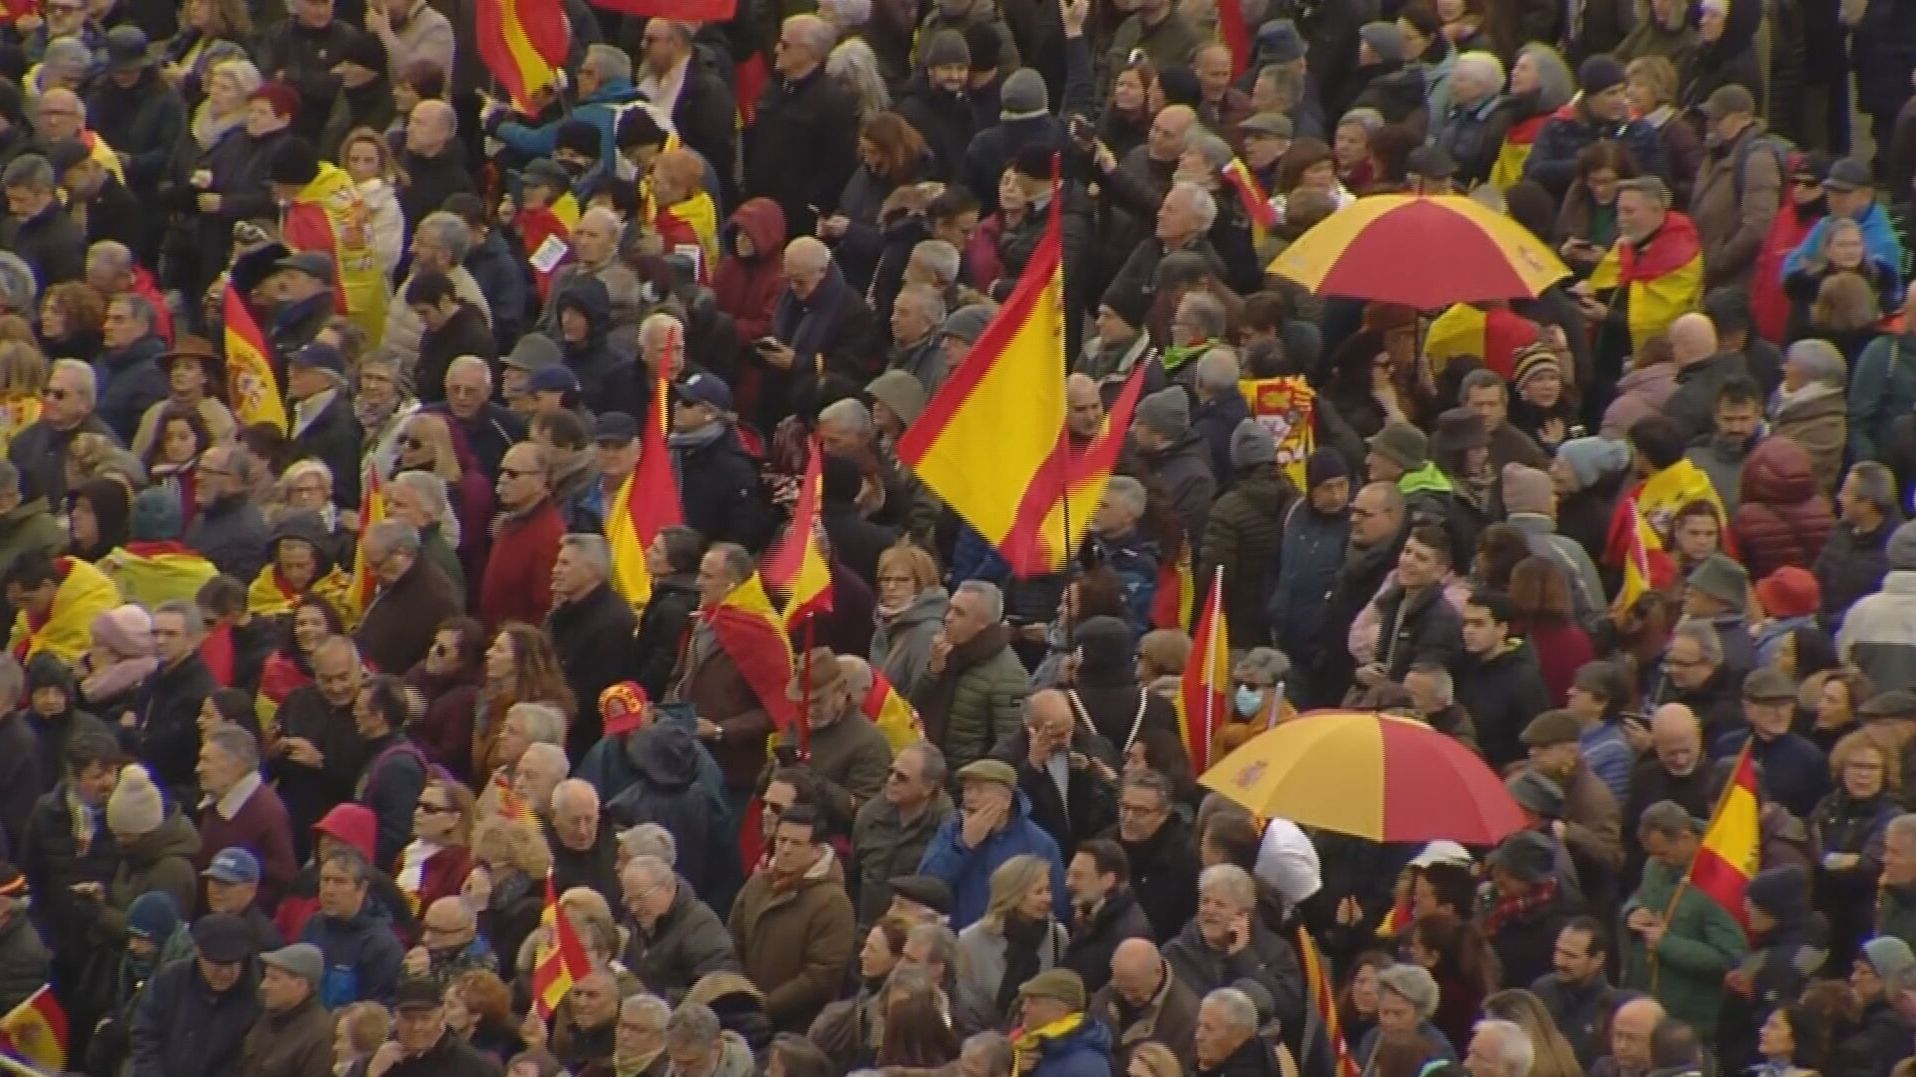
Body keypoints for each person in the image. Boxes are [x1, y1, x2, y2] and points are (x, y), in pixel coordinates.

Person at [1619, 801, 1748, 1032]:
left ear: (1685, 837)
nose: (1657, 860)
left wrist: (1667, 944)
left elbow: (1729, 958)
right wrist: (1632, 910)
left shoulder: (1721, 880)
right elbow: (1640, 894)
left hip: (1689, 1020)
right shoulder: (1655, 865)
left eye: (1663, 853)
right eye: (1652, 854)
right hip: (1647, 1003)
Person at [727, 803, 855, 1032]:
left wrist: (767, 1005)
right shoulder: (758, 884)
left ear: (817, 850)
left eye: (796, 843)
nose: (785, 849)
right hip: (745, 1015)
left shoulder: (832, 902)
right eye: (781, 840)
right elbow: (733, 941)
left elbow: (822, 974)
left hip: (796, 1028)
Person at [130, 913, 262, 1077]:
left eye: (233, 964)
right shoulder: (169, 980)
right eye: (217, 964)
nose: (225, 973)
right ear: (199, 953)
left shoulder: (257, 997)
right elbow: (145, 1037)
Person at [195, 724, 298, 907]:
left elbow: (281, 879)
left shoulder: (267, 812)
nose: (198, 768)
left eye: (206, 760)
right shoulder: (216, 800)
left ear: (236, 765)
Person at [620, 854, 741, 1004]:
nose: (634, 908)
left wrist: (656, 996)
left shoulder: (701, 929)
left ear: (668, 888)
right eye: (629, 900)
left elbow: (717, 994)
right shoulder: (640, 922)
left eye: (640, 898)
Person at [1090, 937, 1199, 1071]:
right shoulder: (1121, 982)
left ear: (1158, 972)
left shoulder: (1185, 1017)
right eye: (1120, 988)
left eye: (1134, 990)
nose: (1127, 996)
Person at [1062, 837, 1154, 993]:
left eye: (1078, 876)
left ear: (1107, 880)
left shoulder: (1127, 933)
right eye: (1068, 874)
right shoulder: (1091, 916)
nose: (1068, 883)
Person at [237, 942, 334, 1077]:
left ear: (300, 985)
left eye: (274, 979)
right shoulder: (266, 1020)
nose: (264, 986)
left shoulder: (318, 1036)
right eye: (265, 977)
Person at [1531, 917, 1615, 1068]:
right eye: (1558, 950)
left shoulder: (1612, 1007)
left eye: (1570, 956)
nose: (1559, 961)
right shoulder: (1541, 990)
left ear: (1598, 959)